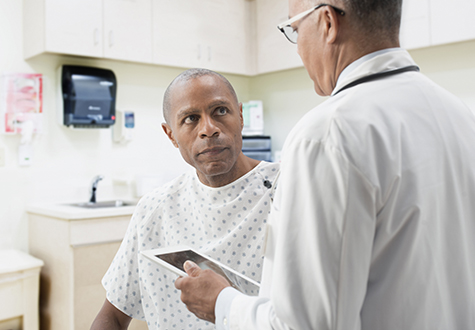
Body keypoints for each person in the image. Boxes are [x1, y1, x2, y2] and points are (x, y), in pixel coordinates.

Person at [175, 0, 475, 329]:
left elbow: (309, 324)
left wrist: (222, 302)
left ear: (328, 23)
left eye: (295, 30)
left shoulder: (326, 135)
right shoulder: (459, 116)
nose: (299, 49)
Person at [90, 68, 280, 329]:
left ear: (241, 116)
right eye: (191, 118)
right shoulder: (154, 210)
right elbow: (112, 315)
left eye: (221, 111)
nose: (209, 129)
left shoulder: (286, 190)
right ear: (171, 135)